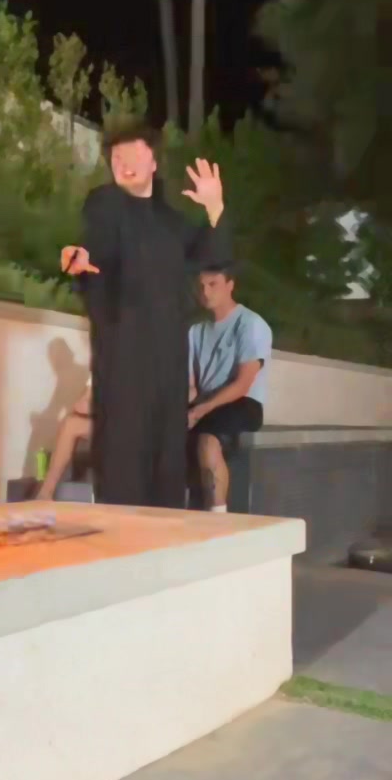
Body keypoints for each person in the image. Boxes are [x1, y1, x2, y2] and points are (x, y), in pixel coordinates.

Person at [61, 123, 231, 508]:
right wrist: (81, 260)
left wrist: (215, 207)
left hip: (168, 358)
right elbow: (95, 247)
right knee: (123, 456)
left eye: (134, 154)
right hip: (123, 350)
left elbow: (213, 256)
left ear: (153, 161)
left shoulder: (173, 223)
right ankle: (121, 536)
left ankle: (165, 536)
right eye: (116, 158)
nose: (125, 163)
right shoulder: (106, 203)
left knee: (167, 459)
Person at [187, 264, 272, 513]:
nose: (205, 292)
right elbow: (191, 387)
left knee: (208, 439)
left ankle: (218, 516)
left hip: (242, 402)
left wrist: (200, 411)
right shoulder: (195, 331)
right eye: (201, 286)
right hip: (206, 403)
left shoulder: (250, 324)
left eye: (213, 284)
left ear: (230, 285)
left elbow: (243, 384)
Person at [37, 380, 92, 501]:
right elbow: (80, 406)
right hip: (108, 425)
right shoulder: (99, 372)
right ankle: (45, 493)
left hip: (129, 427)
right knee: (70, 425)